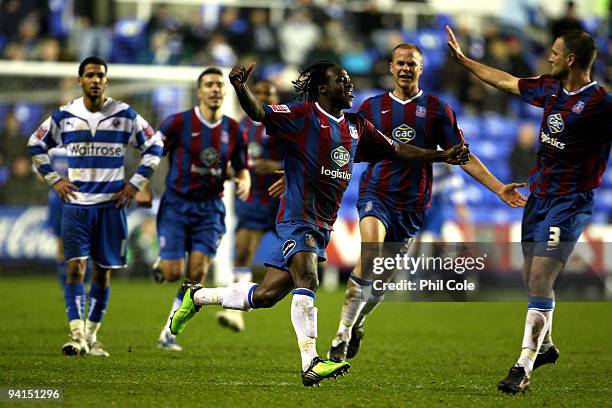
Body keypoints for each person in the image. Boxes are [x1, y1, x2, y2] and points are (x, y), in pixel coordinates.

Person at [168, 60, 470, 386]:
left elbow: (397, 150)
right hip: (297, 217)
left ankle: (196, 297)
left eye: (350, 81)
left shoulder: (356, 125)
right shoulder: (302, 115)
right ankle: (311, 362)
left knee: (267, 295)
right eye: (343, 81)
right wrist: (240, 87)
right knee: (308, 278)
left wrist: (441, 155)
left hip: (322, 223)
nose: (350, 86)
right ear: (324, 89)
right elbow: (260, 113)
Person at [326, 44, 527, 363]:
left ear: (421, 69)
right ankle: (340, 335)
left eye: (412, 64)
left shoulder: (437, 110)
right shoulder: (371, 108)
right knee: (371, 253)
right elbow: (340, 147)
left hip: (414, 204)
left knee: (381, 278)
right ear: (391, 68)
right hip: (376, 193)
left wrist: (499, 187)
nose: (406, 68)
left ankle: (358, 321)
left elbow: (463, 156)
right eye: (400, 63)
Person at [446, 26, 612, 394]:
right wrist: (464, 61)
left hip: (570, 202)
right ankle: (547, 346)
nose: (548, 57)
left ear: (570, 59)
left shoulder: (601, 102)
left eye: (554, 52)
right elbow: (505, 82)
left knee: (540, 279)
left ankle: (522, 366)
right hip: (539, 197)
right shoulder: (551, 88)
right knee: (531, 279)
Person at [28, 56, 163, 357]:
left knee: (103, 274)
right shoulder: (65, 116)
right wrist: (54, 180)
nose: (95, 80)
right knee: (75, 268)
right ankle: (76, 335)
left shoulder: (124, 114)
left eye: (100, 75)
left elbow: (155, 144)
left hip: (111, 207)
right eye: (90, 75)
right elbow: (35, 144)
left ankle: (91, 336)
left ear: (106, 80)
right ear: (80, 80)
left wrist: (136, 182)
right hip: (76, 207)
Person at [154, 67, 250, 351]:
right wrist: (143, 184)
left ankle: (168, 331)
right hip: (177, 204)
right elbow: (152, 154)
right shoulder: (177, 123)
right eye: (209, 84)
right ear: (199, 91)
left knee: (196, 272)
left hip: (210, 208)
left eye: (219, 85)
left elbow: (241, 167)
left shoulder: (233, 130)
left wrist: (244, 180)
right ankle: (163, 263)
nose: (215, 89)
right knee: (173, 273)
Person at [215, 79, 283, 332]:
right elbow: (231, 160)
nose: (266, 96)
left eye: (271, 93)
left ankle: (305, 307)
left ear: (277, 98)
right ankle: (234, 312)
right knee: (242, 253)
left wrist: (277, 165)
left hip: (282, 202)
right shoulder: (240, 127)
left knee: (304, 262)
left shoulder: (284, 125)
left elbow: (302, 157)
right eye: (261, 92)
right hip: (253, 200)